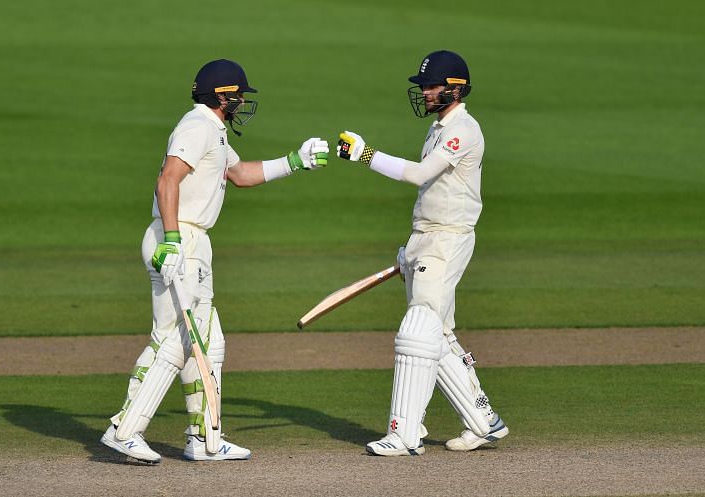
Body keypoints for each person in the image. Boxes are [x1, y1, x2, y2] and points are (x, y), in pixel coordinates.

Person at [100, 59, 328, 463]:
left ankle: (205, 438)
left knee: (209, 343)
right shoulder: (198, 125)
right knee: (174, 339)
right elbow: (167, 178)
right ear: (222, 96)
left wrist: (296, 161)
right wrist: (171, 241)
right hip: (179, 237)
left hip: (194, 240)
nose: (242, 102)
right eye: (239, 95)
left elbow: (240, 174)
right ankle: (125, 429)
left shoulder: (215, 131)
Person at [336, 50, 508, 456]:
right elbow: (432, 194)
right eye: (425, 86)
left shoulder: (463, 130)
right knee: (439, 336)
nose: (426, 93)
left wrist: (365, 154)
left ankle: (404, 434)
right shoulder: (438, 128)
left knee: (417, 331)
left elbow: (417, 175)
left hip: (448, 240)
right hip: (426, 239)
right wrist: (411, 250)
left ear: (455, 89)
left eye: (432, 86)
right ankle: (484, 421)